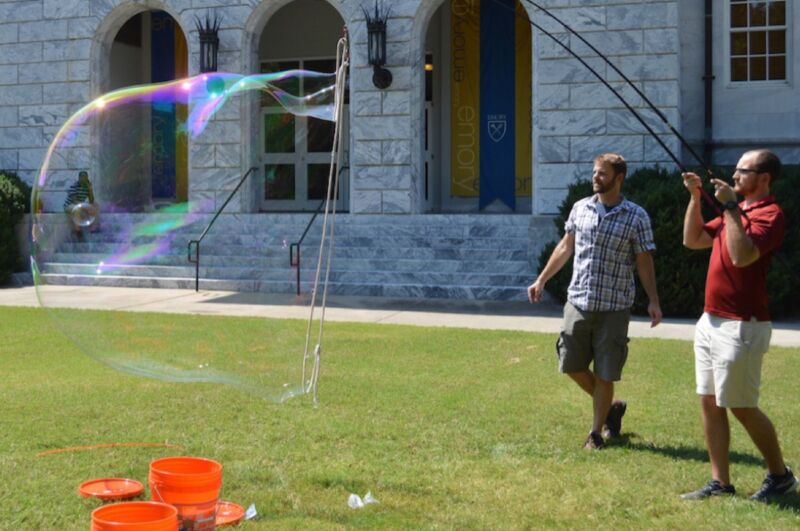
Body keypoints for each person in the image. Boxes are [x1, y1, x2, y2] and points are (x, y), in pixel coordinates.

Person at [680, 149, 796, 502]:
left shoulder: (770, 214)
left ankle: (780, 476)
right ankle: (720, 482)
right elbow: (694, 239)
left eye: (742, 171)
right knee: (710, 402)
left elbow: (743, 255)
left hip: (743, 325)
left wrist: (730, 207)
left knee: (742, 405)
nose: (734, 176)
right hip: (710, 320)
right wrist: (696, 197)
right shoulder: (740, 210)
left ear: (764, 178)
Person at [528, 153, 662, 450]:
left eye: (602, 173)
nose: (595, 177)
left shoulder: (635, 216)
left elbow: (644, 260)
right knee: (571, 364)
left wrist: (653, 299)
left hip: (614, 305)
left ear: (619, 177)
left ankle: (595, 433)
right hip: (578, 300)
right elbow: (565, 247)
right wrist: (542, 279)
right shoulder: (581, 208)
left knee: (605, 371)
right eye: (594, 172)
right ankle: (612, 409)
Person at [63, 170, 100, 235]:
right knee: (77, 209)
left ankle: (93, 228)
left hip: (80, 204)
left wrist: (90, 190)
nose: (83, 179)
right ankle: (78, 230)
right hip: (70, 205)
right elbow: (75, 201)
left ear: (87, 178)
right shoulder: (74, 186)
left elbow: (91, 200)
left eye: (85, 177)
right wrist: (85, 208)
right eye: (82, 177)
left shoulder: (87, 186)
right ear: (79, 178)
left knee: (96, 205)